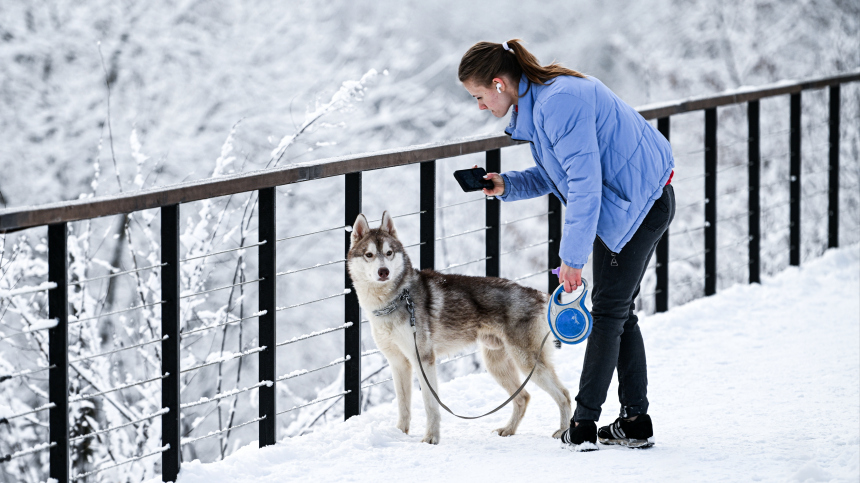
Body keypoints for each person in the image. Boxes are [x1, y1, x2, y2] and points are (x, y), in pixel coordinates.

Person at [458, 39, 675, 451]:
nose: (480, 106)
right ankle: (634, 420)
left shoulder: (558, 103)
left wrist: (570, 261)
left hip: (637, 206)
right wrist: (506, 185)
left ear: (500, 84)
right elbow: (557, 174)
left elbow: (586, 185)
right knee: (619, 311)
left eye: (480, 96)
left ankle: (583, 425)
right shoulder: (541, 104)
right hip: (627, 204)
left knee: (610, 312)